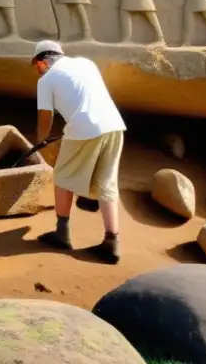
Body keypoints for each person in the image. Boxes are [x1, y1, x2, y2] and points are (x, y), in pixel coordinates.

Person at [32, 40, 126, 265]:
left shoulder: (46, 80)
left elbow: (46, 117)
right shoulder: (86, 63)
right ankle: (111, 241)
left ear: (44, 62)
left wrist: (41, 141)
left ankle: (62, 234)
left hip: (83, 129)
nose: (37, 70)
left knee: (62, 176)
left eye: (36, 65)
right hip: (114, 125)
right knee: (107, 182)